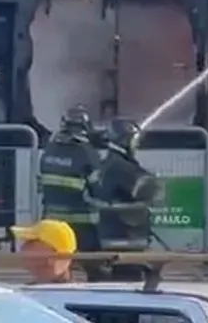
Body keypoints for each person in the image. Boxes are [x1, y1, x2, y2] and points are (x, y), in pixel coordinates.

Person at [87, 118, 160, 249]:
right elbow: (148, 188)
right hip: (126, 237)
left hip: (107, 233)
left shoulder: (106, 163)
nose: (137, 144)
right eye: (135, 140)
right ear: (125, 141)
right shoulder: (122, 168)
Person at [40, 106, 103, 255]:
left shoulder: (49, 148)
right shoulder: (86, 151)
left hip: (52, 222)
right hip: (81, 222)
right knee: (94, 263)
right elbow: (99, 188)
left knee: (58, 262)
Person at [10, 218, 76, 284]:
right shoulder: (26, 290)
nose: (23, 247)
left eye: (31, 241)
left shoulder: (76, 293)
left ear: (53, 256)